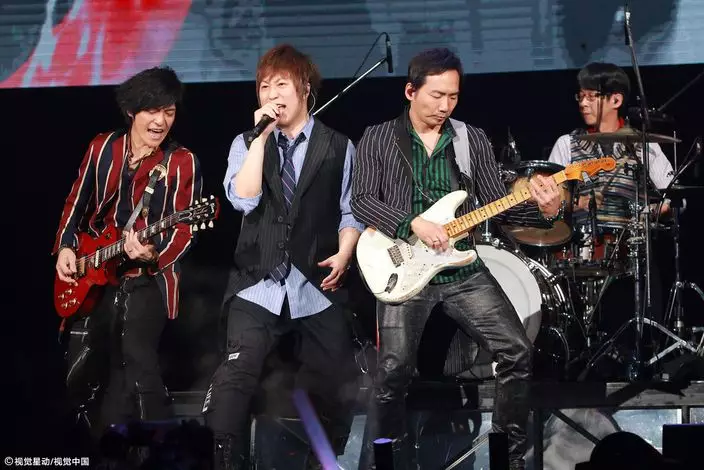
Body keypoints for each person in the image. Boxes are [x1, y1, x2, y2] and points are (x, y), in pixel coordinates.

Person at [351, 48, 563, 470]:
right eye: (436, 96)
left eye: (453, 96)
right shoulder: (377, 137)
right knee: (392, 371)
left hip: (461, 270)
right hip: (403, 268)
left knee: (517, 351)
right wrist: (412, 223)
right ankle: (389, 461)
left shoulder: (470, 139)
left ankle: (509, 459)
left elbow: (498, 207)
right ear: (410, 91)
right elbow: (362, 201)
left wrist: (546, 209)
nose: (445, 106)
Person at [202, 44, 365, 470]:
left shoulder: (339, 146)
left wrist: (345, 251)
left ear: (305, 88)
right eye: (264, 87)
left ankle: (322, 462)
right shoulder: (246, 143)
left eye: (281, 84)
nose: (272, 94)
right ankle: (223, 461)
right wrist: (260, 138)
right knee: (237, 373)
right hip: (257, 281)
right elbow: (243, 198)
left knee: (338, 379)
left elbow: (350, 210)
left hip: (315, 282)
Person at [53, 67, 203, 435]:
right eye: (152, 110)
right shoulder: (102, 147)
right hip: (94, 272)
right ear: (131, 111)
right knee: (86, 368)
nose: (160, 121)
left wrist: (153, 255)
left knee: (137, 361)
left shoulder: (181, 161)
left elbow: (184, 230)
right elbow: (76, 201)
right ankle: (96, 445)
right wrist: (66, 247)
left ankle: (164, 447)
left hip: (148, 277)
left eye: (169, 112)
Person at [548, 62, 675, 359]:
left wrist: (649, 211)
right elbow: (550, 200)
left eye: (591, 96)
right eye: (580, 96)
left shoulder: (643, 146)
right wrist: (575, 203)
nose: (583, 103)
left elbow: (670, 197)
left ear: (615, 100)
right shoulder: (567, 144)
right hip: (577, 249)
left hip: (629, 250)